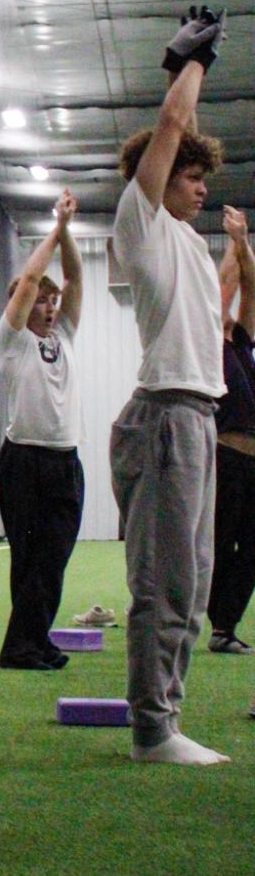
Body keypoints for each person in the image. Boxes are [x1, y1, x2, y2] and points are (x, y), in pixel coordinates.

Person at [109, 7, 230, 766]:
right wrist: (191, 64)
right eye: (190, 176)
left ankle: (168, 716)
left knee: (195, 582)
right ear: (157, 178)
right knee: (163, 582)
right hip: (164, 419)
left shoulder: (189, 241)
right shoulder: (141, 220)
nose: (200, 189)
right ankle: (153, 728)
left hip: (197, 418)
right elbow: (173, 122)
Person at [0, 189, 84, 671]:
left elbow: (74, 276)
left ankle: (26, 642)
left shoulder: (64, 336)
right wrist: (55, 225)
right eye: (41, 301)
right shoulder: (10, 341)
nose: (50, 307)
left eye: (53, 302)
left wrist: (67, 231)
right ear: (21, 306)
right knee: (29, 560)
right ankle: (26, 645)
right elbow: (30, 277)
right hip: (23, 460)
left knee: (53, 557)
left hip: (64, 460)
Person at [208, 206, 255, 653]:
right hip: (224, 458)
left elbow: (249, 286)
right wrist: (231, 243)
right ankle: (217, 624)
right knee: (221, 545)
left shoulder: (240, 341)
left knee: (251, 549)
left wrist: (243, 243)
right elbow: (226, 286)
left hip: (252, 460)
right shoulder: (207, 340)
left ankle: (225, 624)